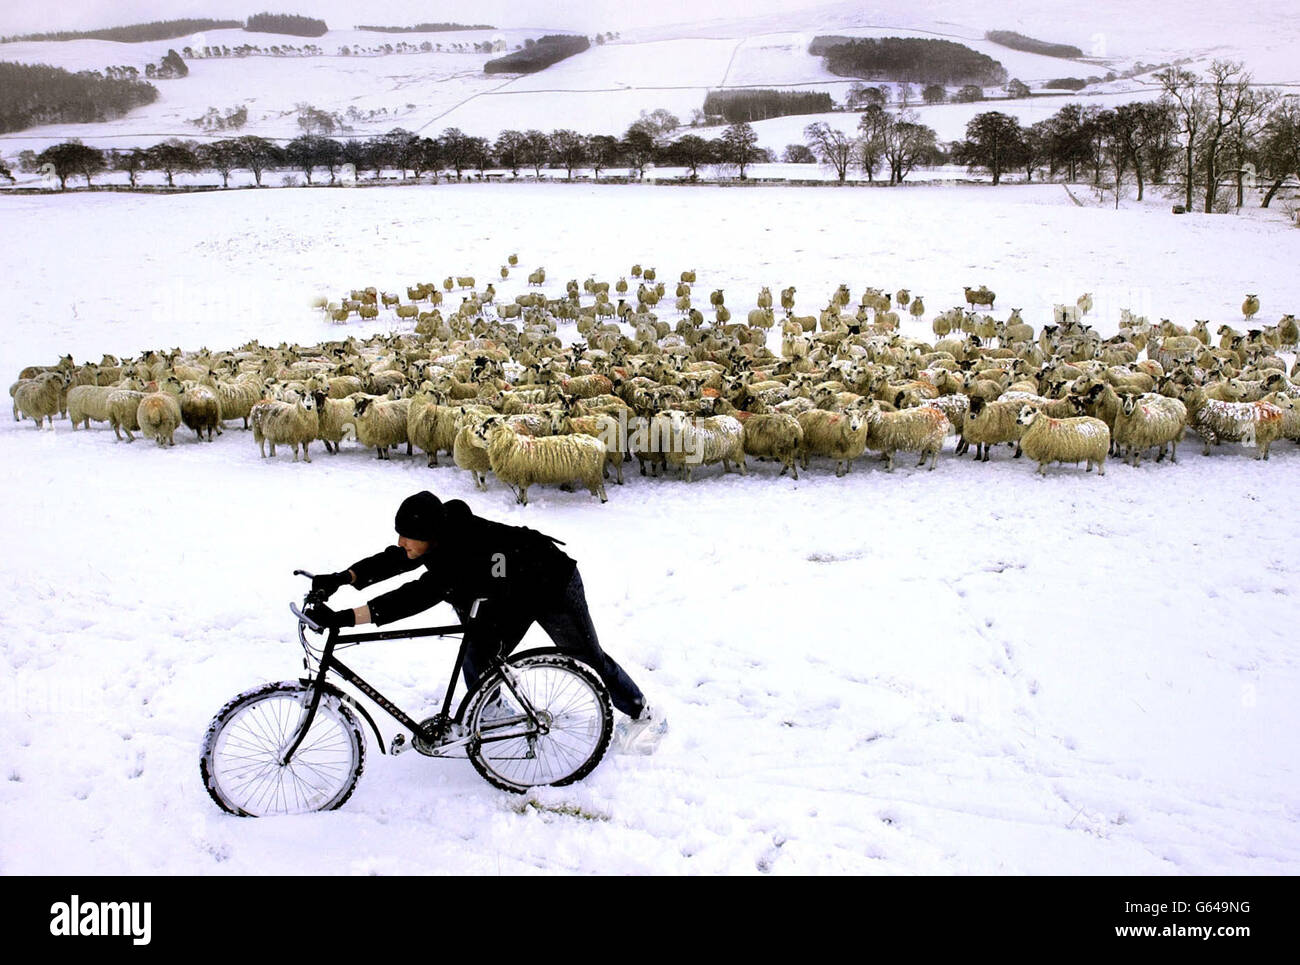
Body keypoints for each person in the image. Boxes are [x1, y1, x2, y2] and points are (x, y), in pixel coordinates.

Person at [304, 491, 666, 751]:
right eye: (400, 534)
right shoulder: (435, 534)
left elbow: (416, 596)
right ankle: (491, 715)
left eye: (409, 537)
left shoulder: (461, 551)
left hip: (550, 583)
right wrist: (341, 578)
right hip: (505, 591)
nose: (402, 542)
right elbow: (395, 559)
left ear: (430, 536)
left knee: (587, 656)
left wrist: (346, 618)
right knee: (478, 651)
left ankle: (641, 712)